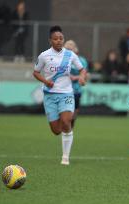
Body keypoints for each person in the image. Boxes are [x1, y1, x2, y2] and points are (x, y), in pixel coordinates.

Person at [33, 26, 87, 166]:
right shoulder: (44, 56)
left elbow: (82, 69)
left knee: (66, 121)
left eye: (61, 38)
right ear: (50, 40)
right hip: (49, 96)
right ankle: (64, 135)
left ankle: (65, 157)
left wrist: (82, 77)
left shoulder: (70, 55)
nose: (58, 41)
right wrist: (45, 81)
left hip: (67, 93)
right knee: (56, 130)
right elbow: (36, 72)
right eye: (55, 39)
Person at [64, 39, 88, 130]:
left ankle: (70, 127)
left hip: (76, 90)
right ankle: (67, 127)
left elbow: (84, 74)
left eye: (71, 49)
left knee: (74, 112)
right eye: (67, 49)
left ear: (75, 49)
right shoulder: (63, 60)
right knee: (67, 111)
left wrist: (78, 78)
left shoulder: (81, 60)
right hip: (65, 90)